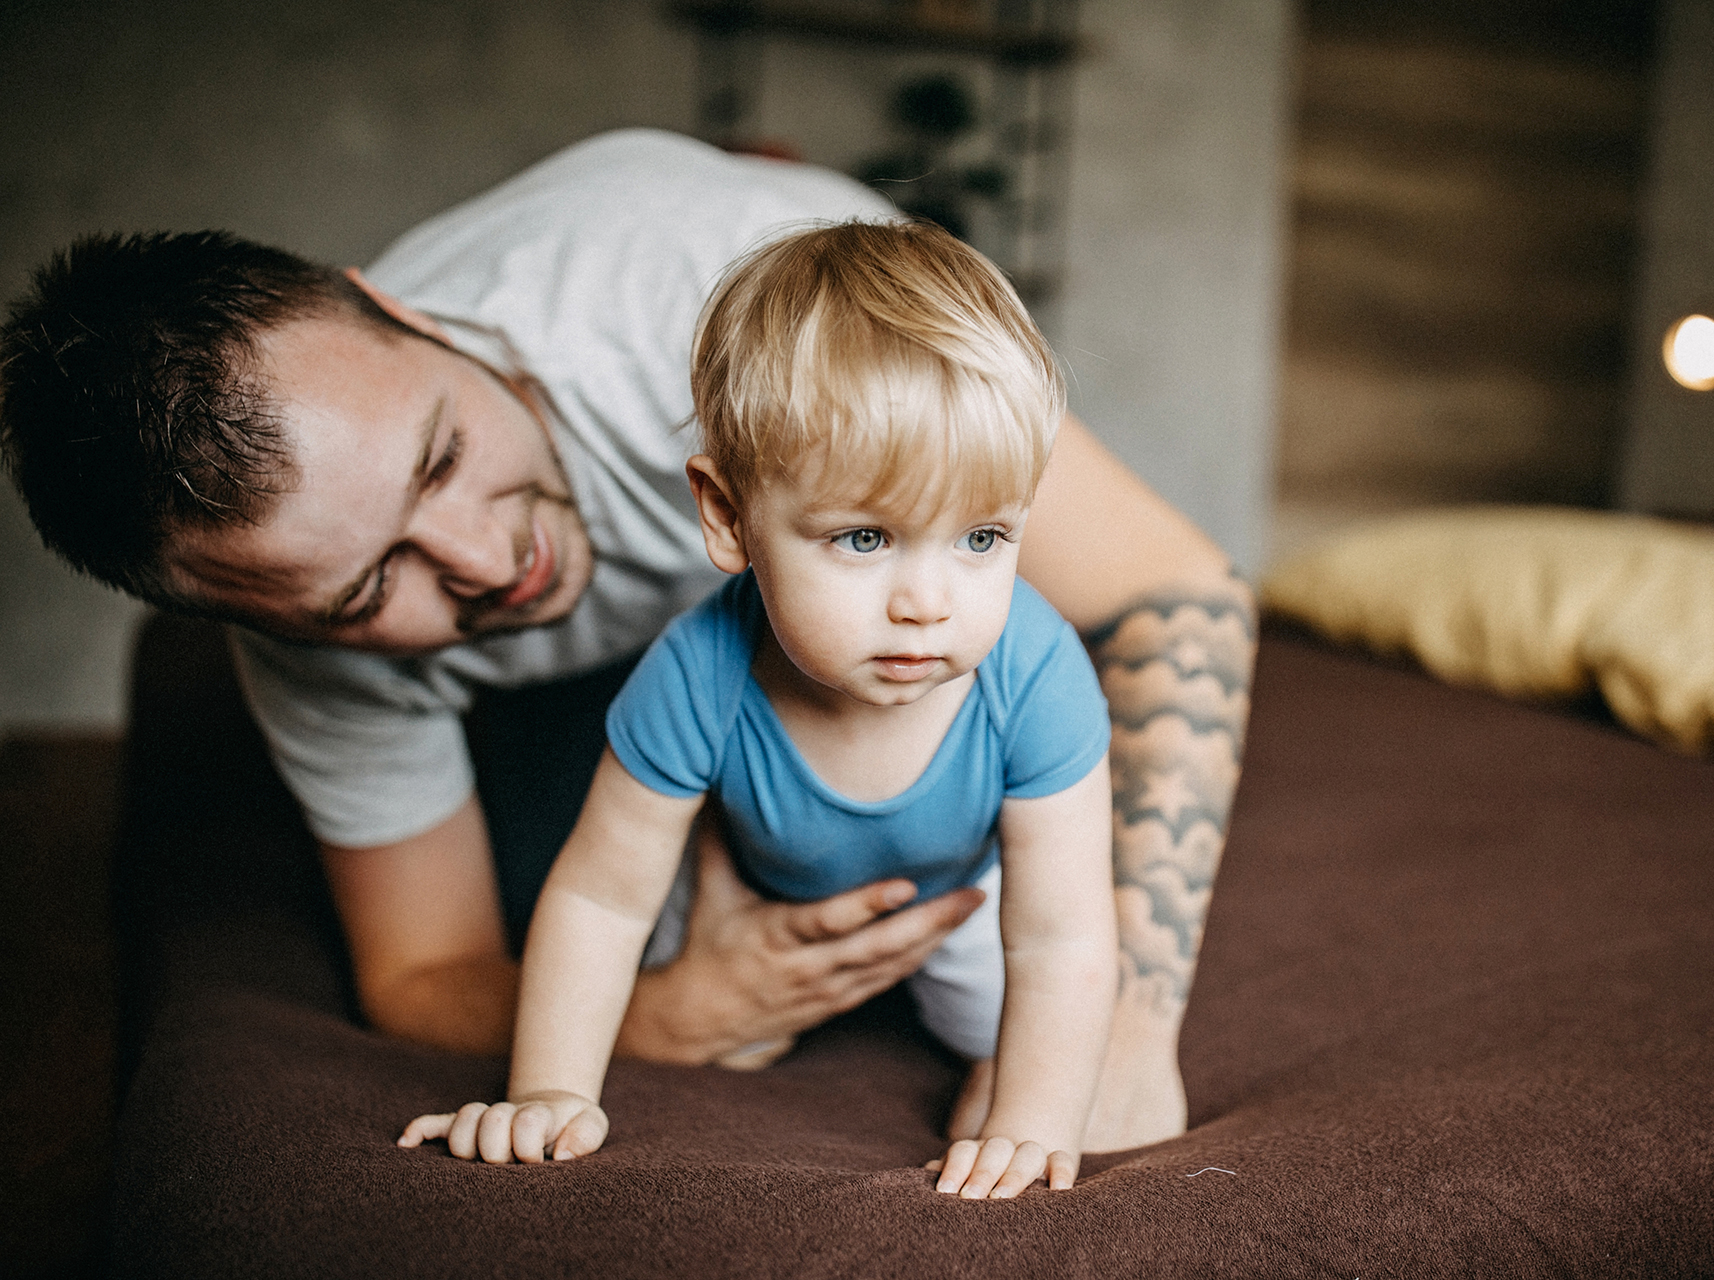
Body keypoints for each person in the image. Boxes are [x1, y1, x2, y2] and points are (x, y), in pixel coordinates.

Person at [0, 130, 1254, 1152]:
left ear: (398, 308)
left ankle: (760, 152)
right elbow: (430, 969)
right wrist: (668, 1015)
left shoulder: (734, 317)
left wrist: (1127, 1029)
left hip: (743, 247)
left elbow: (1183, 590)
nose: (490, 564)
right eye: (368, 587)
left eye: (443, 456)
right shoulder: (324, 654)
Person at [402, 221, 1117, 1199]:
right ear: (728, 515)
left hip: (959, 896)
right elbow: (602, 897)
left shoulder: (1036, 672)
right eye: (865, 538)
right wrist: (550, 1090)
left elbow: (1061, 931)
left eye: (982, 534)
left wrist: (1028, 1119)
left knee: (1059, 1043)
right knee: (667, 1002)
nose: (928, 600)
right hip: (745, 884)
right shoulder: (698, 671)